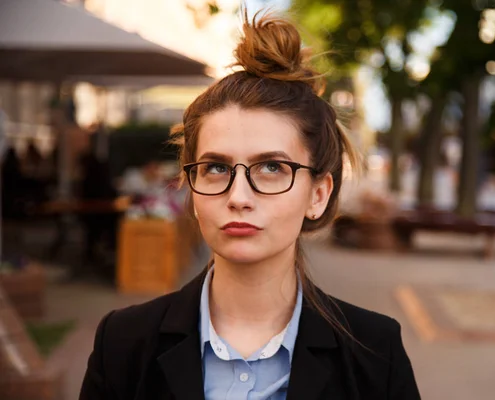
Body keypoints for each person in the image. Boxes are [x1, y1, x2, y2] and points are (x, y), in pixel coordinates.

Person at [79, 11, 420, 400]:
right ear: (191, 185)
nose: (238, 197)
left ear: (319, 194)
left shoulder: (375, 353)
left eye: (272, 167)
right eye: (216, 168)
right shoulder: (123, 343)